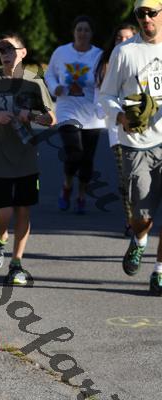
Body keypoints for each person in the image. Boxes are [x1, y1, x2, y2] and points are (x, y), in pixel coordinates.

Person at [0, 32, 56, 286]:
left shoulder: (33, 81)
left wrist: (30, 115)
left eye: (10, 48)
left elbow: (51, 119)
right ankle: (0, 238)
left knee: (23, 210)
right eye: (1, 49)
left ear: (23, 52)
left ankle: (16, 264)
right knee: (5, 211)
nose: (5, 53)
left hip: (26, 155)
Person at [99, 0, 162, 296]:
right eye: (141, 13)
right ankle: (139, 240)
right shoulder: (125, 52)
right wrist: (121, 117)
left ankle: (159, 271)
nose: (146, 18)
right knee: (142, 215)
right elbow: (106, 95)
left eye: (152, 12)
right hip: (136, 143)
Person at [45, 16, 105, 214]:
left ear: (91, 33)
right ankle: (67, 185)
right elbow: (49, 74)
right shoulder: (61, 52)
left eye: (86, 30)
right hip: (67, 110)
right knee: (74, 153)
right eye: (79, 29)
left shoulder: (98, 55)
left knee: (87, 158)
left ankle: (81, 195)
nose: (82, 33)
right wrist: (55, 87)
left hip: (91, 113)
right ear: (73, 32)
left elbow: (105, 79)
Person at [95, 23, 137, 237]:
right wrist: (111, 112)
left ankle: (142, 218)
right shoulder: (106, 64)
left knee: (142, 181)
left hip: (144, 131)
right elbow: (99, 99)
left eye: (127, 38)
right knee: (125, 179)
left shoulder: (144, 60)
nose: (123, 42)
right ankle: (131, 221)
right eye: (119, 38)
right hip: (117, 130)